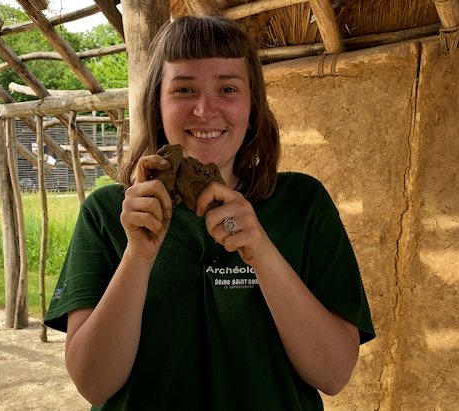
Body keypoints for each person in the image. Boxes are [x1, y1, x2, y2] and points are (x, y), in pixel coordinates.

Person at [44, 14, 375, 410]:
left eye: (228, 88)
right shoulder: (110, 213)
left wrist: (262, 253)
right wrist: (138, 256)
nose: (205, 110)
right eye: (184, 89)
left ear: (253, 106)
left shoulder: (302, 203)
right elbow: (94, 385)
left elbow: (333, 374)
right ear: (157, 103)